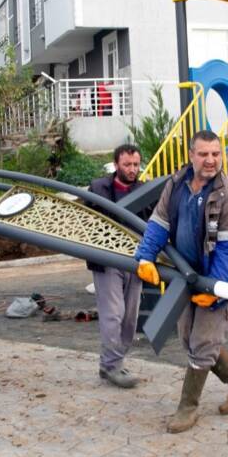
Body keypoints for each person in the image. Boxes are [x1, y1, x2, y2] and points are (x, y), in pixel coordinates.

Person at [134, 130, 228, 433]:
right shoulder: (175, 185)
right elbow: (159, 223)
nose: (211, 160)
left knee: (202, 343)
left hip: (220, 278)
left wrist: (216, 290)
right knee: (188, 338)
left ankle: (188, 408)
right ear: (191, 155)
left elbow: (227, 250)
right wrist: (145, 257)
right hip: (187, 273)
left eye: (216, 154)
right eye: (204, 154)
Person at [87, 144, 144, 388]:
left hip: (135, 261)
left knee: (130, 318)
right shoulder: (99, 188)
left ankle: (111, 362)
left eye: (135, 165)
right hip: (108, 261)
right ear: (116, 164)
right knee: (113, 314)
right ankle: (113, 366)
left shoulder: (145, 190)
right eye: (127, 165)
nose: (132, 170)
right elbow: (86, 221)